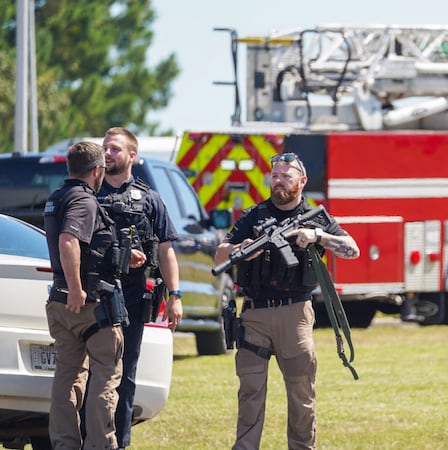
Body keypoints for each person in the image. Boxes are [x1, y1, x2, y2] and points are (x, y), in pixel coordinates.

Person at [214, 152, 360, 450]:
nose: (278, 182)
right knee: (250, 393)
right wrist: (243, 248)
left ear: (302, 181)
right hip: (254, 314)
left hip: (295, 314)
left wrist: (318, 235)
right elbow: (219, 254)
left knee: (301, 395)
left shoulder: (316, 217)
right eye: (275, 176)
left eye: (286, 176)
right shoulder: (254, 216)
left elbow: (352, 249)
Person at [44, 141, 146, 449]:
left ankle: (65, 445)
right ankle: (101, 445)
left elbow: (87, 249)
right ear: (97, 170)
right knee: (105, 379)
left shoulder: (56, 197)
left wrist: (121, 258)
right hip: (90, 305)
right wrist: (78, 289)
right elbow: (68, 242)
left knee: (66, 378)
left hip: (61, 304)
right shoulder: (84, 200)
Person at [98, 127, 183, 449]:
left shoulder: (150, 199)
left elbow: (166, 251)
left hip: (134, 296)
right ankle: (90, 436)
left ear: (132, 156)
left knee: (127, 372)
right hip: (97, 295)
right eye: (105, 147)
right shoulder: (91, 195)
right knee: (93, 371)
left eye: (115, 149)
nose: (108, 153)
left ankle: (120, 440)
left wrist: (175, 297)